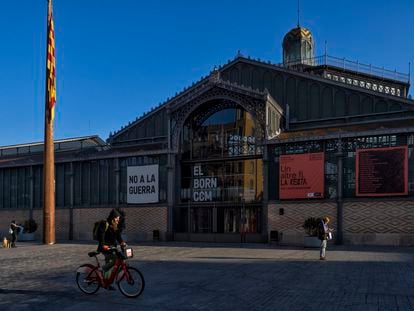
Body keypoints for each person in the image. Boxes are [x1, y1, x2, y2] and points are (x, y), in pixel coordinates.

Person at [97, 209, 126, 285]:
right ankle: (100, 270)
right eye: (117, 218)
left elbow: (117, 236)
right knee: (114, 260)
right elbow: (101, 235)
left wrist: (122, 242)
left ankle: (106, 281)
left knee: (116, 260)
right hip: (105, 247)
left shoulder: (114, 226)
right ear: (113, 217)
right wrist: (103, 245)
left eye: (119, 219)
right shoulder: (105, 223)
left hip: (112, 247)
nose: (118, 220)